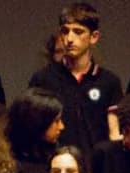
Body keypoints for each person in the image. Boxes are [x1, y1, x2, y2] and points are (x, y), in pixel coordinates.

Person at [28, 3, 123, 154]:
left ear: (94, 37)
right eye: (65, 31)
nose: (70, 38)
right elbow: (32, 130)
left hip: (95, 169)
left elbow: (114, 134)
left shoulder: (108, 82)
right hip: (54, 166)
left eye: (78, 32)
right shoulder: (43, 79)